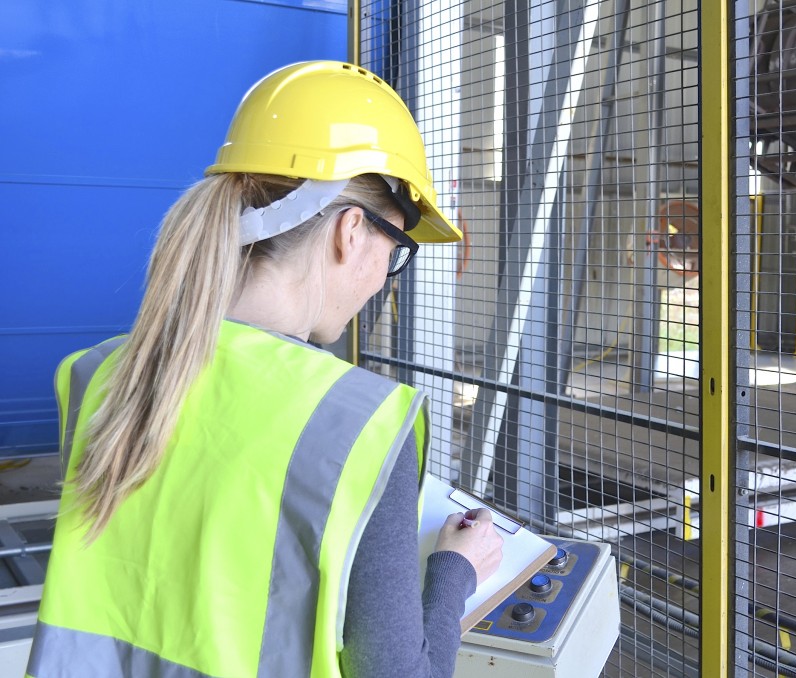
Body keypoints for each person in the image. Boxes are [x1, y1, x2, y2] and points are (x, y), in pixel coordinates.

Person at [27, 61, 503, 678]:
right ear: (350, 231)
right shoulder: (360, 427)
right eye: (398, 249)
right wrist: (454, 573)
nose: (386, 278)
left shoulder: (97, 376)